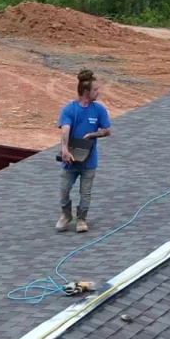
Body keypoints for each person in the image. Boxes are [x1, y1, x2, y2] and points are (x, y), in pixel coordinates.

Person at [56, 69, 111, 232]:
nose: (98, 92)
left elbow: (107, 130)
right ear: (86, 91)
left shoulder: (99, 110)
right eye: (95, 90)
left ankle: (81, 219)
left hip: (89, 160)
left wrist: (94, 134)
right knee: (64, 190)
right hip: (71, 158)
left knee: (85, 193)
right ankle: (66, 215)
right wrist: (64, 149)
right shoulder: (69, 109)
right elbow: (65, 129)